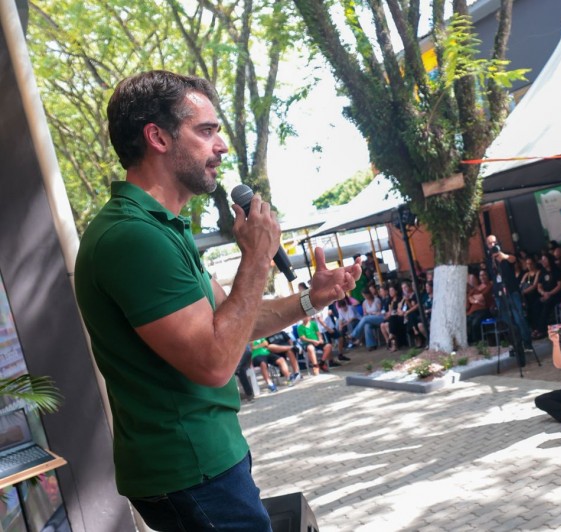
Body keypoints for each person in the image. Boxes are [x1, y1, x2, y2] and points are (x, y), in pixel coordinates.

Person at [73, 71, 359, 531]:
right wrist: (257, 258)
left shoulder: (160, 228)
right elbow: (214, 361)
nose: (220, 146)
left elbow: (231, 321)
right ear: (158, 137)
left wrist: (310, 300)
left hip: (209, 460)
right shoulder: (133, 237)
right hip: (190, 470)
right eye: (206, 131)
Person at [485, 235, 534, 351]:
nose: (492, 245)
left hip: (511, 290)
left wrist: (503, 256)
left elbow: (513, 259)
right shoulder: (488, 259)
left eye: (494, 242)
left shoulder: (505, 254)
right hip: (499, 293)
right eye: (490, 243)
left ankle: (527, 342)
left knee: (519, 317)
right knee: (507, 320)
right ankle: (516, 344)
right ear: (487, 245)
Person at [536, 252, 561, 328]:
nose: (543, 262)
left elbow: (560, 285)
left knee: (547, 304)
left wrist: (550, 293)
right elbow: (539, 286)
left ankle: (541, 328)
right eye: (542, 260)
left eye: (545, 260)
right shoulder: (542, 272)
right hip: (545, 294)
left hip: (556, 295)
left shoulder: (556, 271)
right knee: (536, 304)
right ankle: (537, 327)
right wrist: (543, 293)